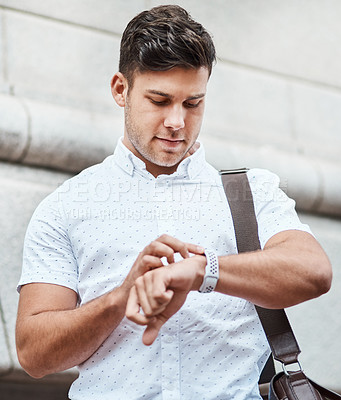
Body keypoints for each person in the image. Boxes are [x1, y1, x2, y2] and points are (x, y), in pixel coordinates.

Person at [16, 5, 332, 400]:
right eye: (160, 100)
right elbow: (33, 353)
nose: (177, 121)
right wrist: (120, 297)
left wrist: (203, 271)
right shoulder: (66, 206)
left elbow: (314, 272)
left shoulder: (252, 192)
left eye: (192, 103)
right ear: (120, 89)